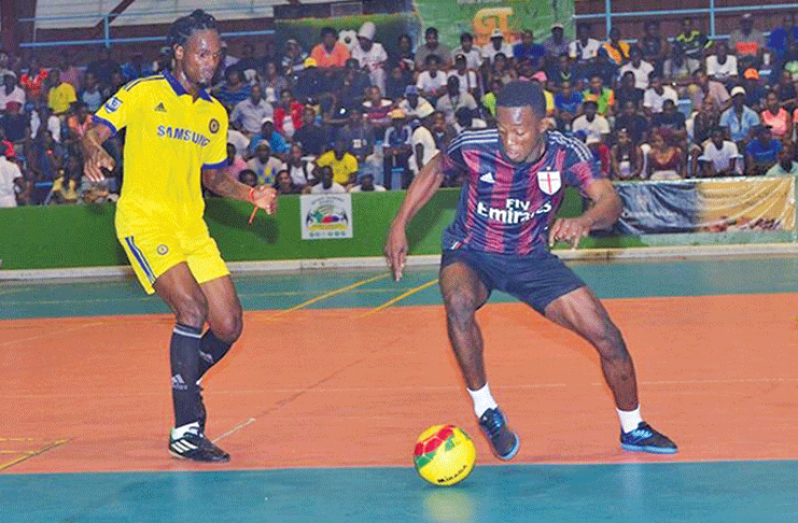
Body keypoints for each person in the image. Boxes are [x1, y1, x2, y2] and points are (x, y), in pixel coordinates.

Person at [384, 80, 677, 460]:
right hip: (472, 251)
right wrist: (399, 223)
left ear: (543, 126)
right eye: (503, 131)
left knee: (609, 339)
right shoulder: (474, 146)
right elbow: (438, 167)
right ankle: (486, 410)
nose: (510, 142)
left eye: (520, 133)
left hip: (530, 258)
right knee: (457, 301)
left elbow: (610, 200)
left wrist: (585, 220)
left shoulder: (567, 153)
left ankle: (633, 426)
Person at [81, 9, 277, 463]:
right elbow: (94, 130)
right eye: (202, 53)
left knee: (228, 324)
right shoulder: (144, 93)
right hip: (145, 219)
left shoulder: (213, 113)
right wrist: (94, 151)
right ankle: (186, 428)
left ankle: (187, 377)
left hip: (192, 225)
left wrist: (252, 192)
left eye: (216, 54)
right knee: (191, 309)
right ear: (179, 53)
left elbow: (215, 180)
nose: (210, 61)